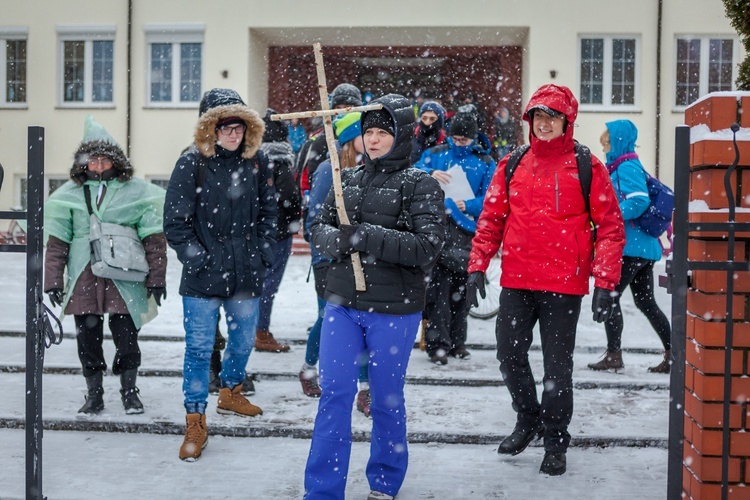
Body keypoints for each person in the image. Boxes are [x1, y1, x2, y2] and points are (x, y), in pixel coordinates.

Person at [466, 84, 625, 476]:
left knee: (557, 370)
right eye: (537, 117)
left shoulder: (587, 165)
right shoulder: (513, 163)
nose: (544, 124)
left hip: (563, 284)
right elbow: (491, 220)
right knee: (509, 357)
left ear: (566, 121)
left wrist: (605, 282)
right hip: (518, 280)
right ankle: (528, 419)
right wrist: (476, 265)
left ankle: (555, 439)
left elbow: (610, 228)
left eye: (551, 117)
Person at [304, 94, 445, 500]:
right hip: (343, 305)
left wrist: (366, 236)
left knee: (384, 398)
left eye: (384, 131)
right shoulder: (345, 179)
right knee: (335, 396)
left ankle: (384, 482)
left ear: (400, 136)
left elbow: (426, 247)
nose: (375, 140)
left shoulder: (420, 185)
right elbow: (319, 229)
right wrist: (336, 239)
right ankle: (322, 490)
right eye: (369, 132)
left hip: (394, 310)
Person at [164, 88, 276, 462]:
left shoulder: (256, 164)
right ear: (211, 129)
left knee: (244, 340)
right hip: (201, 278)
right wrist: (199, 259)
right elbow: (175, 224)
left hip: (245, 274)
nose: (233, 134)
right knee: (198, 349)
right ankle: (195, 419)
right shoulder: (191, 164)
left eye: (239, 127)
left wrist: (261, 252)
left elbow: (268, 215)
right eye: (226, 127)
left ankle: (231, 391)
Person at [44, 115, 167, 416]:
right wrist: (53, 281)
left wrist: (157, 278)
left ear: (116, 162)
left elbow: (153, 238)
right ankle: (94, 394)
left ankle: (129, 391)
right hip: (84, 275)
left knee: (127, 336)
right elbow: (57, 243)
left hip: (124, 274)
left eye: (104, 160)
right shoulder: (67, 197)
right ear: (82, 164)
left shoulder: (137, 192)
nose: (98, 166)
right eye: (92, 160)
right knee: (87, 338)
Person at [588, 119, 672, 374]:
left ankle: (614, 355)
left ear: (617, 142)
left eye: (607, 143)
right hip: (642, 249)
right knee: (646, 303)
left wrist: (609, 216)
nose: (604, 149)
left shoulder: (626, 167)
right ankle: (674, 353)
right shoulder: (626, 166)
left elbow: (638, 201)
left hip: (630, 249)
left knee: (609, 299)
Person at [414, 107, 495, 364]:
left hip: (467, 232)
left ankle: (458, 343)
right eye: (456, 138)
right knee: (438, 292)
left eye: (465, 139)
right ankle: (438, 345)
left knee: (462, 291)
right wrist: (429, 174)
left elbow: (491, 199)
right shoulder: (435, 154)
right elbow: (411, 176)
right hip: (437, 229)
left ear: (474, 138)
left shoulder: (485, 162)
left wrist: (468, 205)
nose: (459, 143)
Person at [300, 111, 370, 406]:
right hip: (329, 261)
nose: (372, 140)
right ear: (351, 139)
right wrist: (333, 248)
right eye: (365, 135)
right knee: (328, 317)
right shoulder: (330, 170)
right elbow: (313, 222)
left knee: (364, 320)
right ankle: (309, 369)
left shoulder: (369, 168)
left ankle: (365, 388)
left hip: (361, 257)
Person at [254, 109, 302, 353]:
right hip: (278, 233)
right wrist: (294, 221)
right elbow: (290, 199)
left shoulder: (253, 159)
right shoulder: (281, 162)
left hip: (258, 231)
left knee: (257, 282)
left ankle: (253, 329)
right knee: (268, 284)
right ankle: (260, 332)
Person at [410, 100, 447, 165]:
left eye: (432, 119)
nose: (427, 122)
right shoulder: (410, 137)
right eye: (424, 118)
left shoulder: (445, 142)